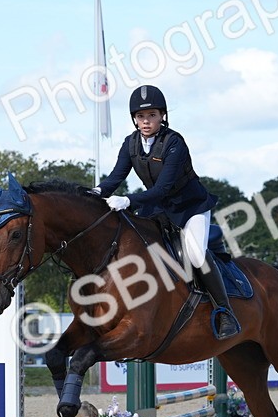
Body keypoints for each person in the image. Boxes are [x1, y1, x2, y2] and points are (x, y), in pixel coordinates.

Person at [94, 85, 240, 339]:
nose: (146, 121)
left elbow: (162, 189)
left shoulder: (174, 143)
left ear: (162, 116)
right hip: (157, 208)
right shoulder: (131, 144)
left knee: (195, 254)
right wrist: (95, 192)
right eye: (141, 116)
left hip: (190, 207)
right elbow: (115, 177)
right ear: (134, 119)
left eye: (152, 115)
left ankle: (225, 311)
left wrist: (128, 200)